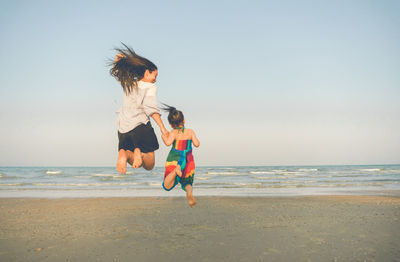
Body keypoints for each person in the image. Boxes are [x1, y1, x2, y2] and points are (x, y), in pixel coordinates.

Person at [110, 44, 168, 174]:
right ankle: (138, 153)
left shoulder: (129, 83)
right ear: (147, 73)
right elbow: (150, 108)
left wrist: (117, 62)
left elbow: (118, 74)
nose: (155, 80)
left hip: (123, 129)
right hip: (140, 126)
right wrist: (163, 129)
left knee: (128, 154)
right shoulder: (150, 87)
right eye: (155, 75)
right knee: (149, 164)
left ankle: (124, 154)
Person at [161, 105, 200, 207]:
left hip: (174, 158)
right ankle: (189, 193)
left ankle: (175, 170)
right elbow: (197, 144)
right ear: (184, 120)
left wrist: (163, 137)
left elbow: (168, 143)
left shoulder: (173, 132)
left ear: (171, 124)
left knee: (166, 185)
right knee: (187, 182)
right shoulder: (190, 132)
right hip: (187, 159)